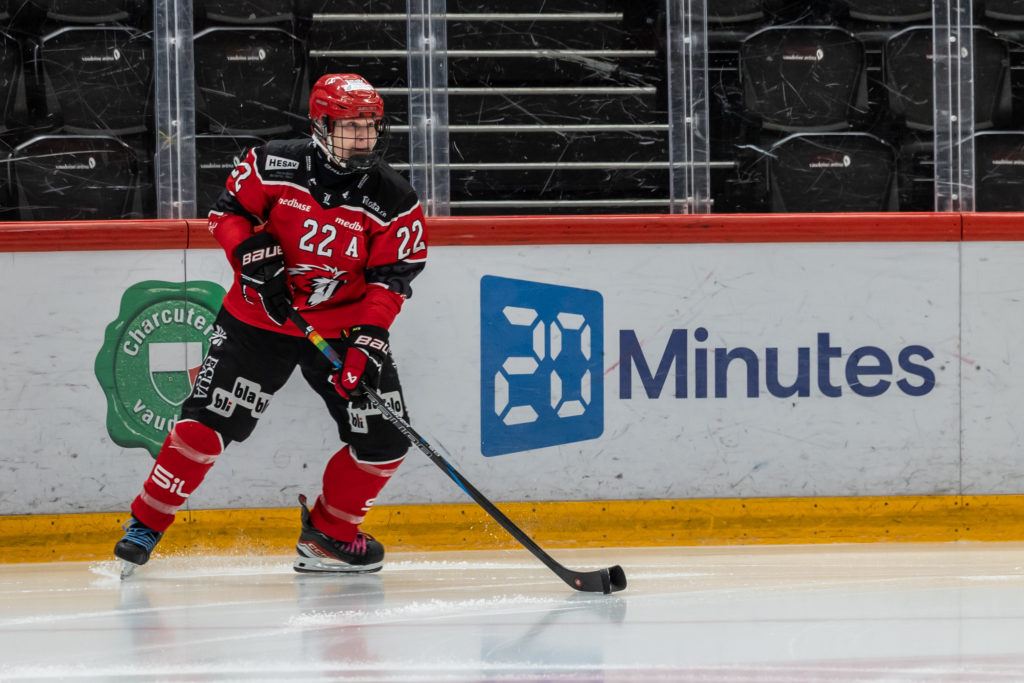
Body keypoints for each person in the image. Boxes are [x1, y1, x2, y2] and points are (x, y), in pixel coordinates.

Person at [113, 73, 428, 575]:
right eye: (350, 127)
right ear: (320, 126)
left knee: (385, 442)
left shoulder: (394, 197)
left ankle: (330, 535)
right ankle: (145, 525)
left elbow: (392, 277)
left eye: (370, 126)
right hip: (256, 321)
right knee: (204, 427)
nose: (363, 138)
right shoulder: (273, 163)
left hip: (343, 331)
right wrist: (249, 254)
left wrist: (371, 336)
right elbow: (227, 214)